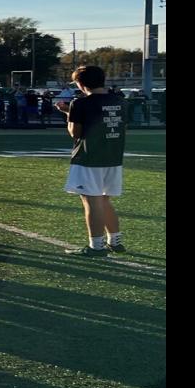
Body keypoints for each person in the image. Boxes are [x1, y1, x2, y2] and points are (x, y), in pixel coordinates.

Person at [57, 65, 127, 256]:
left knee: (92, 202)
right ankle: (115, 241)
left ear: (81, 83)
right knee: (105, 201)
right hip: (113, 156)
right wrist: (69, 112)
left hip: (89, 158)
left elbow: (76, 133)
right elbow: (103, 121)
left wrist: (69, 114)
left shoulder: (80, 103)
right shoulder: (119, 101)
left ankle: (96, 247)